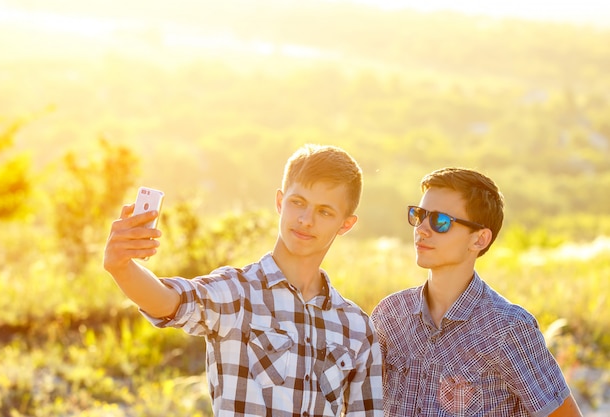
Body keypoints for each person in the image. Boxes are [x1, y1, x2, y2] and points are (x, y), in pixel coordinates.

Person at [103, 144, 383, 417]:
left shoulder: (356, 328)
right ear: (279, 202)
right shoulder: (236, 293)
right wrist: (121, 268)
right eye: (298, 203)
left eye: (324, 211)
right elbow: (169, 302)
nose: (306, 220)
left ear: (346, 224)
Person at [371, 167, 583, 417]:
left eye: (440, 221)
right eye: (419, 215)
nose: (421, 229)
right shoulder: (390, 315)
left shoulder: (509, 329)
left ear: (479, 239)